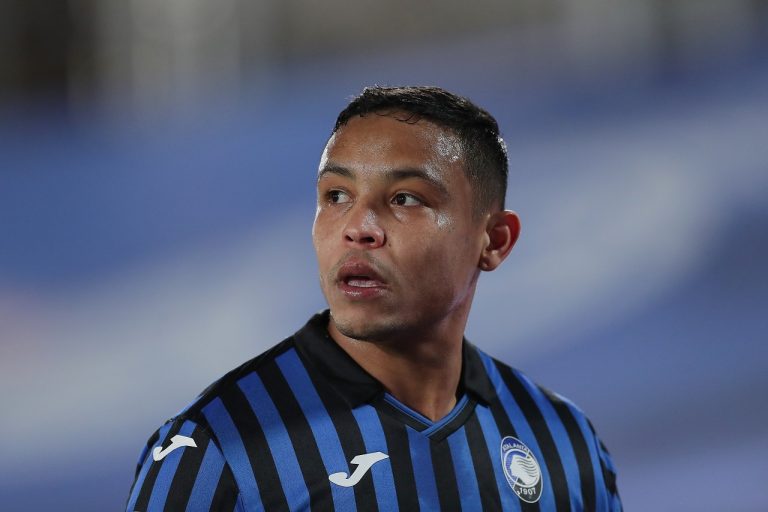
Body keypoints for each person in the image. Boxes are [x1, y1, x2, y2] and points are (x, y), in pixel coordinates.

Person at [126, 86, 622, 511]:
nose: (357, 228)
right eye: (336, 196)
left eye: (405, 198)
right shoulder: (216, 446)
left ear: (493, 241)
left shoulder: (564, 441)